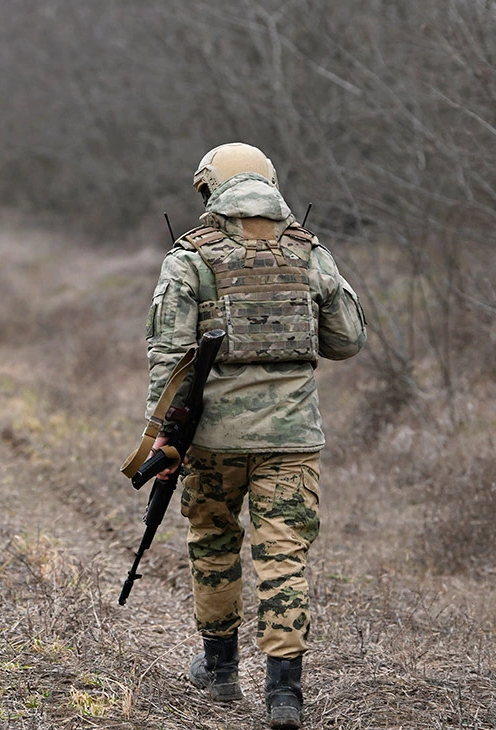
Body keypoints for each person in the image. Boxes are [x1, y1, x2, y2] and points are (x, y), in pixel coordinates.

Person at [144, 143, 366, 729]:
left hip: (213, 440)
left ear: (211, 190)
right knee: (284, 556)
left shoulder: (189, 258)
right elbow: (347, 342)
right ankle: (284, 693)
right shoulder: (308, 252)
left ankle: (220, 673)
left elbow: (169, 359)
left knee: (213, 542)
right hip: (291, 439)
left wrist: (163, 438)